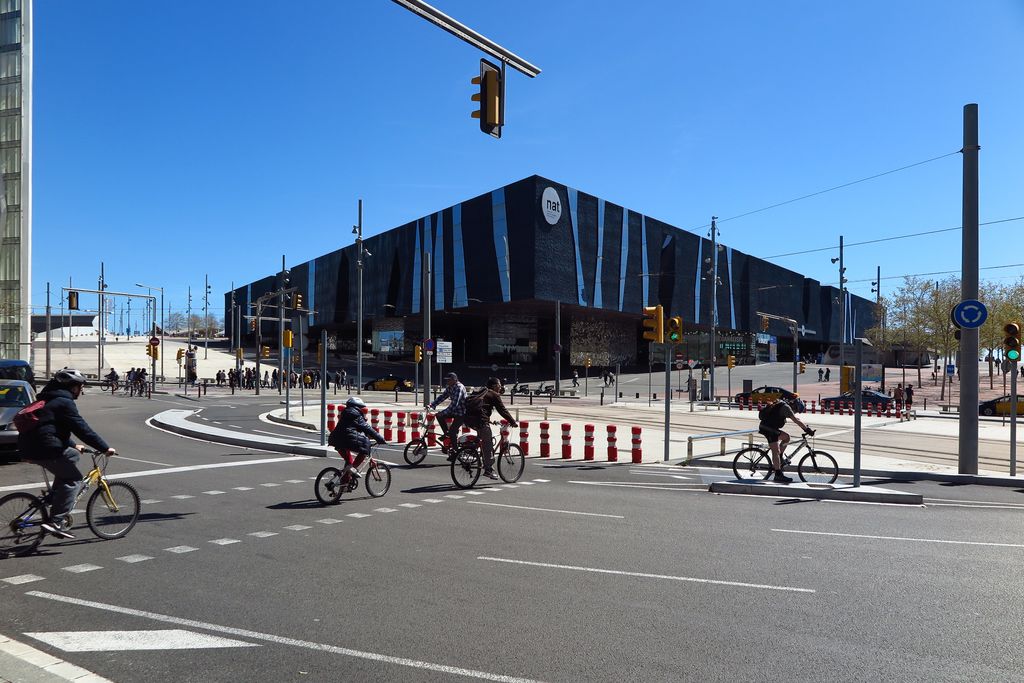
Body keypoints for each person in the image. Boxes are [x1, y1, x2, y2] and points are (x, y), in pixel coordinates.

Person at [17, 369, 117, 539]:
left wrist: (73, 445)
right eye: (80, 387)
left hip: (30, 446)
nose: (81, 390)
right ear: (72, 387)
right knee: (74, 480)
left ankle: (55, 497)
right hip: (46, 448)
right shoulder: (64, 402)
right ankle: (56, 522)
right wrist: (104, 448)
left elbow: (51, 428)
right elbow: (82, 429)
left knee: (72, 455)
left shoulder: (47, 399)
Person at [463, 377, 518, 480]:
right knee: (487, 442)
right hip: (480, 421)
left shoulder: (481, 391)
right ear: (494, 386)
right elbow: (503, 411)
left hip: (468, 420)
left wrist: (489, 421)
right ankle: (488, 469)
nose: (500, 387)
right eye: (499, 385)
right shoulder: (494, 394)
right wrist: (513, 422)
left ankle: (470, 450)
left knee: (481, 436)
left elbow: (482, 408)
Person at [757, 396, 813, 483]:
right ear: (795, 406)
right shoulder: (786, 407)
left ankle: (779, 458)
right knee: (775, 451)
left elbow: (796, 419)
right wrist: (807, 430)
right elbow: (795, 420)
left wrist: (806, 427)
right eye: (797, 410)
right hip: (768, 428)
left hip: (770, 427)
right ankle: (778, 475)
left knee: (786, 438)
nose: (796, 412)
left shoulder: (784, 405)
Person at [328, 396, 385, 480]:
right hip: (347, 439)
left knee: (349, 462)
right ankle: (353, 469)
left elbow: (353, 427)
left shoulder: (345, 414)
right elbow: (367, 428)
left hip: (335, 439)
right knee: (365, 448)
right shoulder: (356, 415)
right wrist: (380, 438)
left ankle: (344, 484)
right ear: (357, 407)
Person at [429, 372, 467, 455]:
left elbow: (454, 404)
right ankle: (446, 433)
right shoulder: (450, 387)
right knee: (438, 415)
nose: (447, 382)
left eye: (449, 380)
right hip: (454, 411)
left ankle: (456, 451)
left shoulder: (459, 387)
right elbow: (442, 397)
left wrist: (444, 412)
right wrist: (432, 405)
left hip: (461, 413)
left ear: (454, 380)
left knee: (453, 431)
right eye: (447, 380)